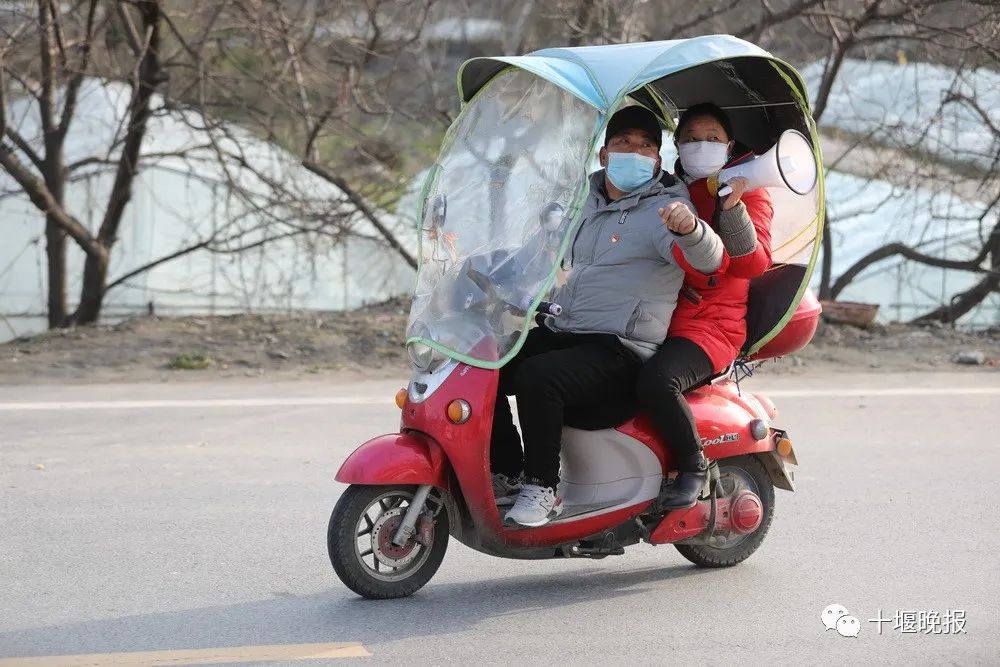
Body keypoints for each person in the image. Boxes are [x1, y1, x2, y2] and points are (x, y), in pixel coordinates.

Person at [491, 105, 726, 527]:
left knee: (538, 377)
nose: (634, 152)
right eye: (623, 143)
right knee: (487, 361)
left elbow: (709, 259)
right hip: (569, 329)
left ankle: (543, 487)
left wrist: (691, 230)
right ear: (604, 154)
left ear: (657, 159)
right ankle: (506, 471)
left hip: (620, 345)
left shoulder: (665, 208)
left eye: (646, 146)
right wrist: (488, 270)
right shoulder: (583, 200)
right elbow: (537, 252)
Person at [637, 103, 774, 509]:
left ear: (729, 145)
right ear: (677, 145)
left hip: (710, 326)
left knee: (656, 383)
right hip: (656, 314)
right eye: (693, 138)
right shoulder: (662, 190)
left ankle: (693, 464)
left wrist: (731, 212)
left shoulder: (745, 189)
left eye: (712, 138)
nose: (702, 145)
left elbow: (753, 263)